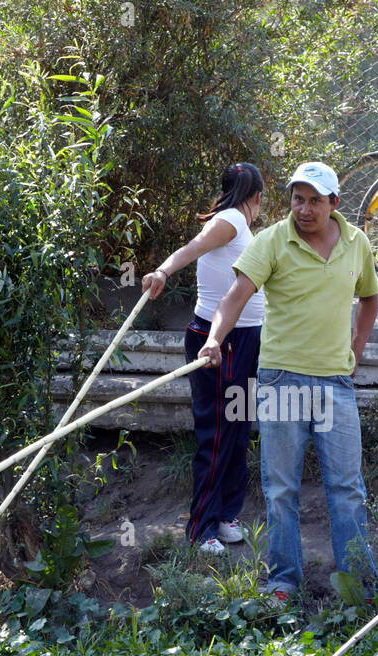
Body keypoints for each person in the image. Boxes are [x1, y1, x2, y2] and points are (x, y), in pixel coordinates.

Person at [197, 161, 378, 604]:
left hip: (335, 382)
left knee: (347, 486)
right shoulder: (272, 240)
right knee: (281, 488)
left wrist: (356, 349)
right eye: (298, 199)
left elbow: (370, 299)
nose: (304, 208)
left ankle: (359, 586)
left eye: (315, 200)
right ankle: (283, 582)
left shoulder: (356, 243)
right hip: (281, 381)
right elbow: (234, 296)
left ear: (334, 203)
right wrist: (214, 340)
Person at [142, 162, 266, 555]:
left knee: (238, 427)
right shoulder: (230, 220)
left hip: (244, 341)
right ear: (257, 198)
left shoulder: (240, 227)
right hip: (218, 343)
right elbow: (193, 247)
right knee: (217, 433)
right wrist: (162, 269)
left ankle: (226, 516)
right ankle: (201, 529)